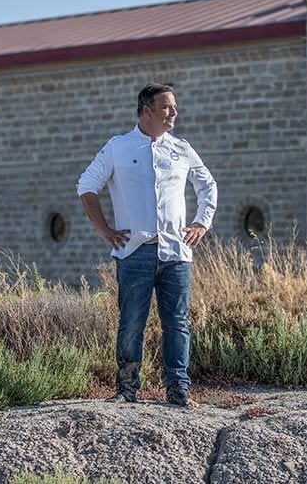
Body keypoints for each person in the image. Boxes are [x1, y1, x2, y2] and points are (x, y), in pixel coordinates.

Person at [77, 82, 217, 407]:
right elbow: (86, 185)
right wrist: (104, 230)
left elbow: (207, 184)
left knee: (178, 323)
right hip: (134, 251)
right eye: (167, 107)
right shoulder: (118, 147)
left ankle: (178, 390)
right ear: (146, 111)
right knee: (131, 322)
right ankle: (126, 390)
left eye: (174, 106)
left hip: (176, 252)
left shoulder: (182, 148)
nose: (174, 112)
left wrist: (201, 222)